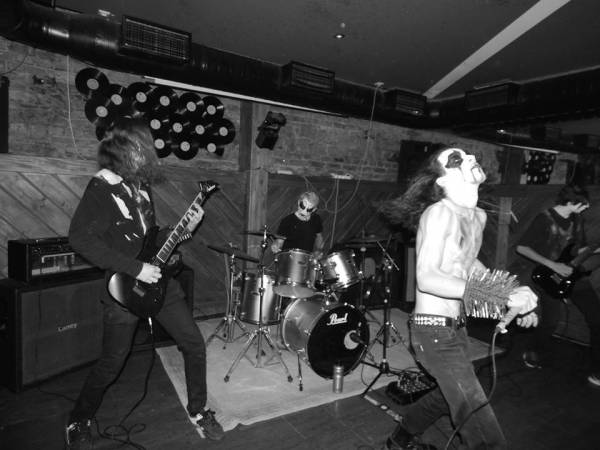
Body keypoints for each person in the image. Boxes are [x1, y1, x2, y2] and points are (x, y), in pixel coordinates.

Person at [65, 117, 224, 448]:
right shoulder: (101, 188)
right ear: (123, 149)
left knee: (194, 343)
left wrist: (186, 229)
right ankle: (79, 419)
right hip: (123, 286)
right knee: (112, 362)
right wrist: (135, 269)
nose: (147, 156)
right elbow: (80, 238)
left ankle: (199, 410)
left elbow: (149, 238)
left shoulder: (140, 186)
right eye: (142, 149)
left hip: (159, 281)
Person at [381, 147, 538, 450]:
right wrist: (501, 294)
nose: (469, 158)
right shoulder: (439, 213)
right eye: (456, 160)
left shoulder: (477, 216)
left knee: (448, 396)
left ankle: (399, 440)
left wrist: (510, 300)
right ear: (442, 181)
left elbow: (469, 264)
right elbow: (427, 278)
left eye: (468, 154)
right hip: (431, 329)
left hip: (457, 327)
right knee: (474, 409)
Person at [512, 184, 600, 384]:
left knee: (597, 318)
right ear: (569, 202)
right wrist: (553, 265)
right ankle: (533, 351)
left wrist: (594, 250)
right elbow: (521, 248)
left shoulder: (577, 219)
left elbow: (578, 250)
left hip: (573, 276)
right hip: (548, 276)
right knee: (551, 320)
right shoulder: (544, 218)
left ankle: (597, 370)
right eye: (582, 204)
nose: (586, 208)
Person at [270, 190, 325, 258]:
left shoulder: (316, 219)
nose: (304, 211)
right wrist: (275, 246)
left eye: (309, 210)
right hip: (289, 259)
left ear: (314, 209)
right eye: (302, 206)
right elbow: (279, 242)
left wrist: (318, 250)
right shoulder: (287, 221)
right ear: (299, 202)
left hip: (307, 259)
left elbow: (319, 237)